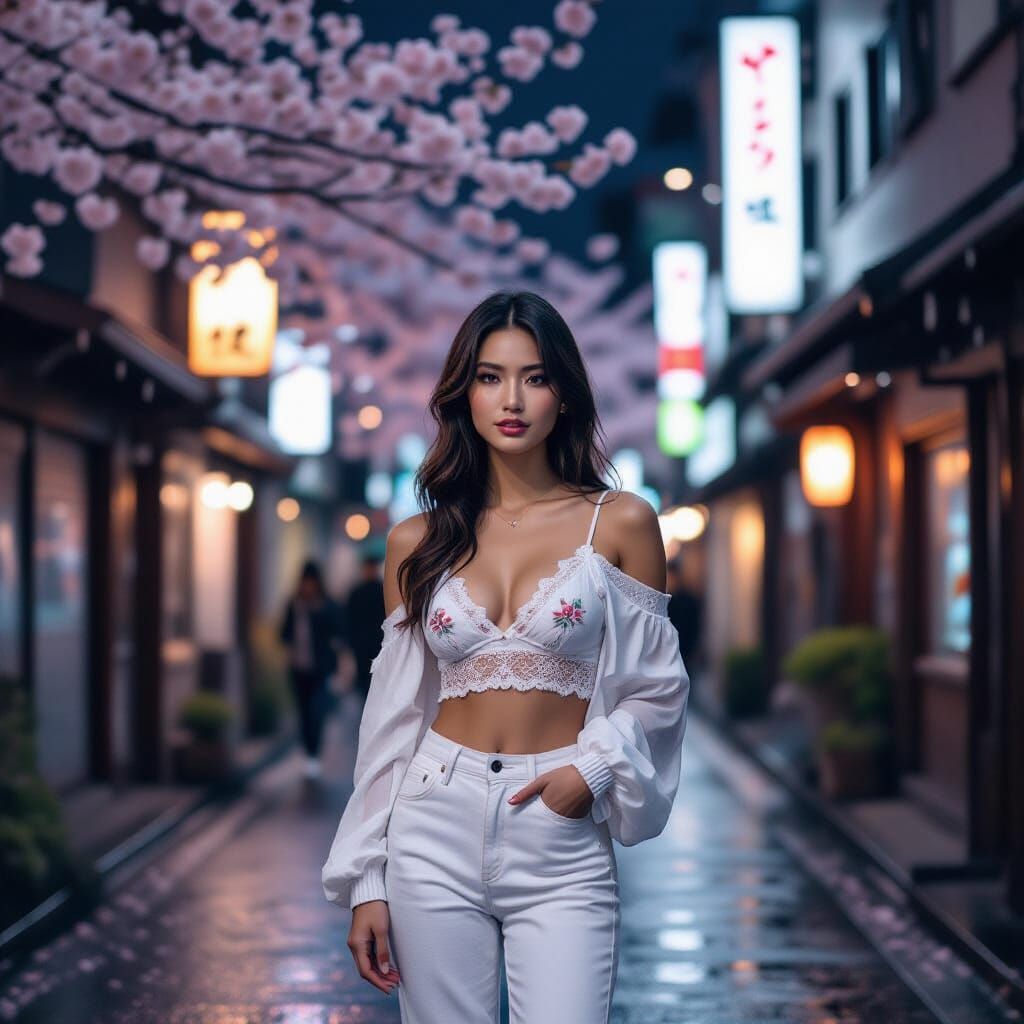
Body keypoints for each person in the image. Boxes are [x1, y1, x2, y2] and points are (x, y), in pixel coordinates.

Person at [321, 292, 691, 1023]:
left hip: (558, 830)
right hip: (431, 818)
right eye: (490, 377)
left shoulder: (618, 521)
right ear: (464, 392)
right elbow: (393, 718)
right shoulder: (415, 541)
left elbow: (659, 691)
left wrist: (590, 771)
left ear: (566, 393)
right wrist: (367, 878)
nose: (512, 399)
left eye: (536, 377)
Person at [279, 559, 345, 779]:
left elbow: (338, 632)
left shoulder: (327, 604)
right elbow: (283, 633)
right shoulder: (294, 604)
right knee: (303, 712)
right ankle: (308, 752)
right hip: (298, 668)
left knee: (317, 711)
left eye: (311, 582)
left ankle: (314, 754)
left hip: (321, 669)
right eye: (305, 582)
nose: (308, 586)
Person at [343, 552, 387, 701]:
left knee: (374, 682)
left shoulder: (381, 590)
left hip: (376, 644)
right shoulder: (359, 592)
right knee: (365, 683)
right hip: (364, 645)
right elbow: (349, 620)